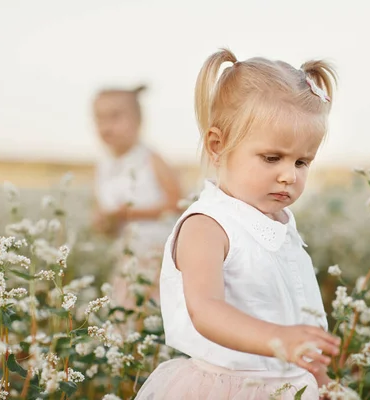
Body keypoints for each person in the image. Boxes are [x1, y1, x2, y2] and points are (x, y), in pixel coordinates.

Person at [135, 49, 340, 400]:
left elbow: (295, 316)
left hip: (291, 387)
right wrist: (280, 340)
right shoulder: (208, 226)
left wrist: (321, 381)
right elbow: (206, 310)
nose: (289, 175)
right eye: (272, 158)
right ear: (218, 145)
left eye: (303, 162)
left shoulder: (280, 226)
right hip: (228, 387)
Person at [92, 85, 182, 306]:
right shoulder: (103, 167)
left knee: (153, 309)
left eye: (115, 117)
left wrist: (129, 213)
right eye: (99, 118)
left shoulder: (149, 158)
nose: (106, 126)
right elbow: (107, 222)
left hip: (158, 253)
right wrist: (104, 223)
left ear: (139, 122)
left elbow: (178, 202)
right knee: (124, 309)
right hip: (127, 257)